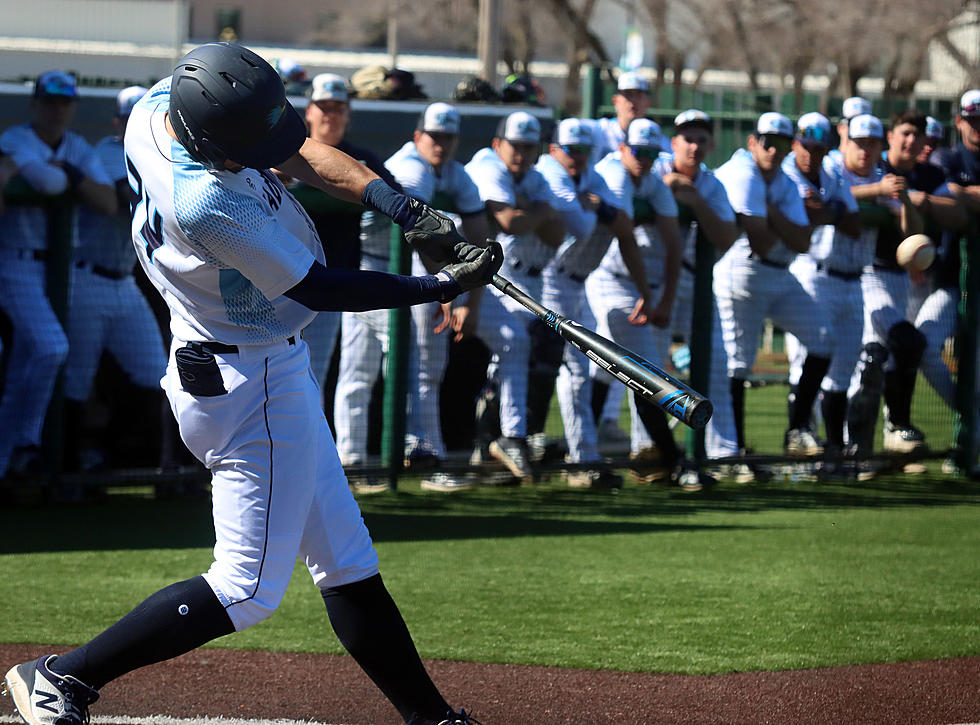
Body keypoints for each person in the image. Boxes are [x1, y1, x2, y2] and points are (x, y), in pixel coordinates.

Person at [1, 42, 498, 725]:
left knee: (347, 560)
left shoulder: (157, 108)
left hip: (255, 363)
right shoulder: (204, 202)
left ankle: (431, 717)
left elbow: (299, 153)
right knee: (246, 589)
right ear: (210, 138)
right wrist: (437, 283)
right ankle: (63, 675)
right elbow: (318, 288)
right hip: (249, 382)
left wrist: (407, 213)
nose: (268, 145)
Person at [336, 102, 488, 492]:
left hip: (388, 268)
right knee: (406, 365)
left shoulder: (453, 171)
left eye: (447, 137)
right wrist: (448, 287)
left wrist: (469, 292)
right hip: (377, 266)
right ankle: (421, 454)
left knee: (367, 370)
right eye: (433, 136)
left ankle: (357, 461)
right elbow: (421, 234)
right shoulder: (409, 166)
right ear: (418, 136)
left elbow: (476, 223)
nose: (441, 144)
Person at [0, 71, 117, 479]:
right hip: (15, 260)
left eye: (64, 102)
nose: (57, 109)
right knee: (51, 348)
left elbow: (105, 202)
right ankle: (29, 441)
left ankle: (7, 459)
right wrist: (47, 173)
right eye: (49, 101)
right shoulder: (16, 139)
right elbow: (46, 184)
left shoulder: (77, 147)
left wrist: (66, 170)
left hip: (58, 268)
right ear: (34, 104)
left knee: (24, 364)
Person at [534, 118, 654, 487]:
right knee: (546, 369)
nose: (579, 158)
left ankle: (581, 457)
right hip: (541, 280)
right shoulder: (547, 172)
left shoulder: (590, 179)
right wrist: (601, 211)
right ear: (554, 149)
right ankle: (569, 457)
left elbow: (624, 225)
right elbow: (582, 225)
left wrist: (600, 209)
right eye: (572, 151)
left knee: (575, 373)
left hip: (574, 285)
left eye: (585, 151)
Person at [58, 85, 169, 483]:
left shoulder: (158, 152)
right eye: (129, 116)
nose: (137, 122)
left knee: (155, 373)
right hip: (86, 277)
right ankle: (69, 472)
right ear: (118, 120)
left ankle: (141, 463)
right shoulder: (104, 150)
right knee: (77, 379)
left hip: (124, 282)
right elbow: (124, 195)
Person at [714, 112, 833, 471]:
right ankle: (732, 451)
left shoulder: (782, 181)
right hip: (742, 271)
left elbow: (799, 241)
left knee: (823, 338)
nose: (773, 149)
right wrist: (777, 219)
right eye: (767, 141)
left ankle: (797, 430)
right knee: (737, 363)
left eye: (781, 143)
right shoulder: (741, 170)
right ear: (753, 141)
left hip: (781, 276)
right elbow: (762, 243)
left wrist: (770, 212)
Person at [848, 109, 964, 457]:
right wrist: (880, 189)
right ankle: (856, 448)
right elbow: (840, 193)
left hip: (908, 280)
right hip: (867, 273)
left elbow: (957, 215)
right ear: (891, 137)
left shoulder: (928, 174)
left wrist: (917, 199)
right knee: (874, 357)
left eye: (918, 135)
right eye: (905, 134)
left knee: (901, 355)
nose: (912, 141)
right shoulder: (877, 168)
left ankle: (895, 436)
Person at [289, 72, 400, 418]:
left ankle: (309, 462)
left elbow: (396, 198)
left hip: (331, 285)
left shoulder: (359, 158)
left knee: (314, 377)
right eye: (323, 107)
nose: (330, 115)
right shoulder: (285, 152)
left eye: (338, 108)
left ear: (348, 114)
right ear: (309, 111)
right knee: (277, 377)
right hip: (280, 283)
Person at [464, 111, 565, 481]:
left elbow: (557, 233)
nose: (521, 153)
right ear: (497, 144)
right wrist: (537, 211)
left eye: (528, 146)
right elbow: (512, 222)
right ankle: (467, 447)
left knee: (516, 349)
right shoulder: (487, 166)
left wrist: (532, 211)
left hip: (492, 279)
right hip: (445, 272)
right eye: (514, 145)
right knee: (423, 368)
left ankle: (497, 443)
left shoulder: (535, 176)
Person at [584, 118, 684, 482]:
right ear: (623, 148)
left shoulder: (652, 180)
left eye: (652, 153)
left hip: (620, 279)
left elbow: (674, 243)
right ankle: (673, 461)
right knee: (644, 370)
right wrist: (646, 293)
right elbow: (625, 233)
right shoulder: (614, 172)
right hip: (602, 277)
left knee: (602, 368)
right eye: (638, 151)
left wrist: (665, 299)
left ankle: (582, 456)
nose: (644, 158)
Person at [655, 109, 741, 465]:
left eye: (701, 140)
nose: (694, 146)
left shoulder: (711, 184)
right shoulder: (656, 166)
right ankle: (648, 450)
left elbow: (726, 236)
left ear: (711, 145)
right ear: (674, 142)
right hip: (649, 278)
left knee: (715, 362)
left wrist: (695, 200)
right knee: (647, 364)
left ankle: (723, 453)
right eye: (687, 138)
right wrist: (668, 188)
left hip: (694, 280)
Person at [779, 112, 862, 466]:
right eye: (806, 145)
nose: (811, 153)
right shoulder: (785, 168)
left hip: (849, 278)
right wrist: (833, 209)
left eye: (818, 147)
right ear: (795, 142)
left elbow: (855, 223)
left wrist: (827, 209)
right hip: (807, 271)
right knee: (805, 361)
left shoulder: (831, 169)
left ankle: (832, 449)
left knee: (840, 366)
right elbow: (811, 211)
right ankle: (798, 438)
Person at [932, 89, 980, 473]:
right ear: (960, 121)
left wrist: (965, 194)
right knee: (923, 346)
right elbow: (943, 191)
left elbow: (958, 194)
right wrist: (962, 194)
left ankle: (966, 447)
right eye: (971, 119)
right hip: (949, 281)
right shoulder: (948, 156)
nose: (977, 126)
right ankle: (966, 432)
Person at [592, 71, 651, 164]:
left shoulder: (656, 138)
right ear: (615, 101)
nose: (633, 101)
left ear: (648, 102)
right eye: (628, 95)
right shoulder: (600, 131)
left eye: (638, 95)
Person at [826, 96, 872, 169]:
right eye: (853, 125)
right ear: (840, 128)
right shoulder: (827, 163)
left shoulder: (877, 165)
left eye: (864, 126)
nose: (859, 131)